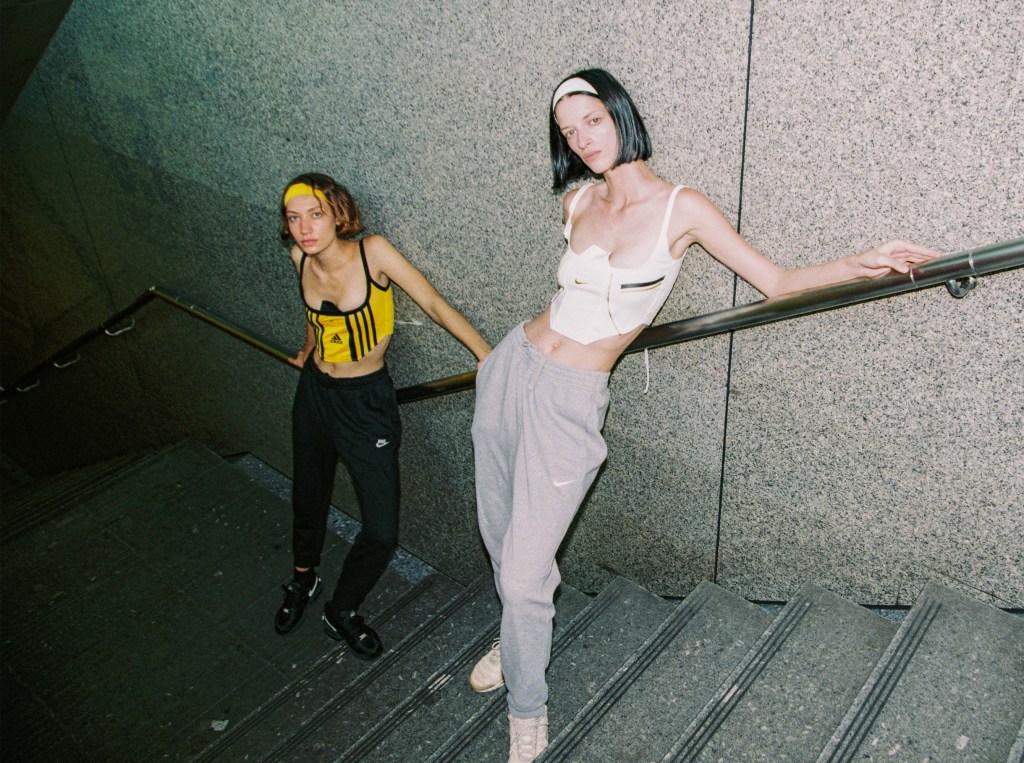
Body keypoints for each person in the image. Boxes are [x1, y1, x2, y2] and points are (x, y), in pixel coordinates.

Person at [467, 69, 939, 762]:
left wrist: (861, 262)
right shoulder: (577, 201)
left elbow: (775, 281)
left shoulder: (680, 208)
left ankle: (527, 712)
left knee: (522, 571)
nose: (583, 139)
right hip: (512, 368)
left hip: (571, 398)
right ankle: (515, 638)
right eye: (569, 131)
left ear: (620, 112)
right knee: (500, 534)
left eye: (593, 120)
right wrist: (496, 369)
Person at [275, 173, 490, 660]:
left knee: (381, 530)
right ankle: (303, 578)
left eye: (315, 215)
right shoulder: (299, 258)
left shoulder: (374, 254)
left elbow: (432, 303)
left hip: (365, 403)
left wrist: (485, 354)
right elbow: (315, 317)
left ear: (337, 214)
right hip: (315, 395)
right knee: (308, 495)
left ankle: (342, 608)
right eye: (294, 218)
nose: (305, 228)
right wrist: (306, 351)